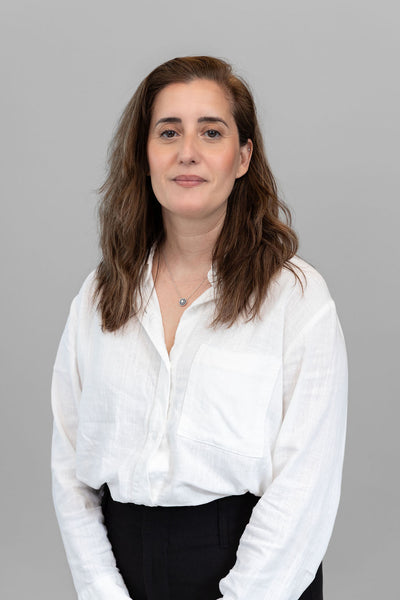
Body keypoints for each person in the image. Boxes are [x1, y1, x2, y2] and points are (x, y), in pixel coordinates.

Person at [51, 56, 348, 600]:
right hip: (121, 571)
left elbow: (304, 487)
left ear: (243, 157)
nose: (187, 151)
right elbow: (70, 467)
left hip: (257, 571)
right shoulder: (99, 295)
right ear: (143, 155)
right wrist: (102, 591)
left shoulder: (297, 299)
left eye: (211, 132)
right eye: (169, 132)